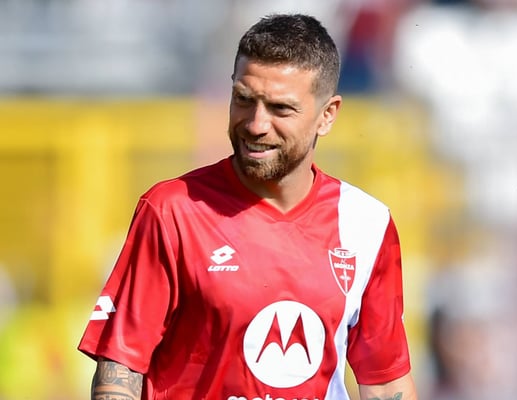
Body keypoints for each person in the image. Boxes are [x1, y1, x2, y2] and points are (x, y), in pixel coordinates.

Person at [78, 13, 417, 400]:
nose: (256, 124)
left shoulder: (366, 224)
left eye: (280, 109)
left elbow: (385, 381)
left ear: (327, 115)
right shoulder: (172, 211)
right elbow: (120, 367)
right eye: (243, 99)